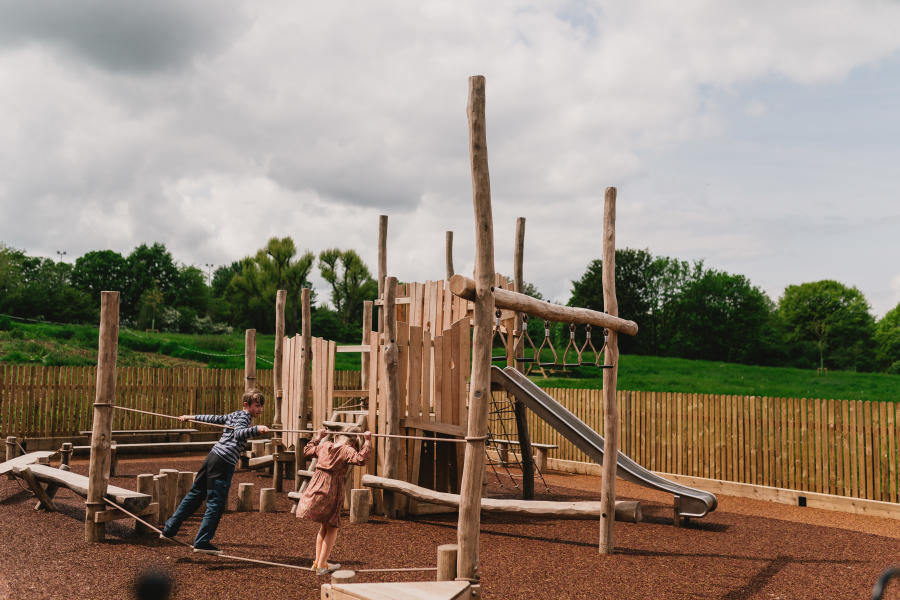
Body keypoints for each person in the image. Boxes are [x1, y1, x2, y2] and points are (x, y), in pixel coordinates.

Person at [160, 388, 270, 552]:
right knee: (216, 504)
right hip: (223, 462)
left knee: (196, 495)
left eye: (261, 406)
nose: (259, 409)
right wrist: (256, 429)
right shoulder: (245, 417)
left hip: (212, 458)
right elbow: (239, 434)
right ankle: (202, 542)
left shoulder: (235, 415)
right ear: (246, 405)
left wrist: (190, 417)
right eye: (257, 406)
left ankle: (169, 529)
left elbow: (214, 418)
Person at [297, 426, 372, 575]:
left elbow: (307, 450)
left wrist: (318, 437)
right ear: (353, 442)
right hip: (331, 489)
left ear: (337, 437)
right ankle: (323, 564)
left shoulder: (325, 445)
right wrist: (368, 442)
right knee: (332, 526)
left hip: (316, 485)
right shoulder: (347, 450)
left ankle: (318, 562)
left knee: (324, 526)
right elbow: (361, 459)